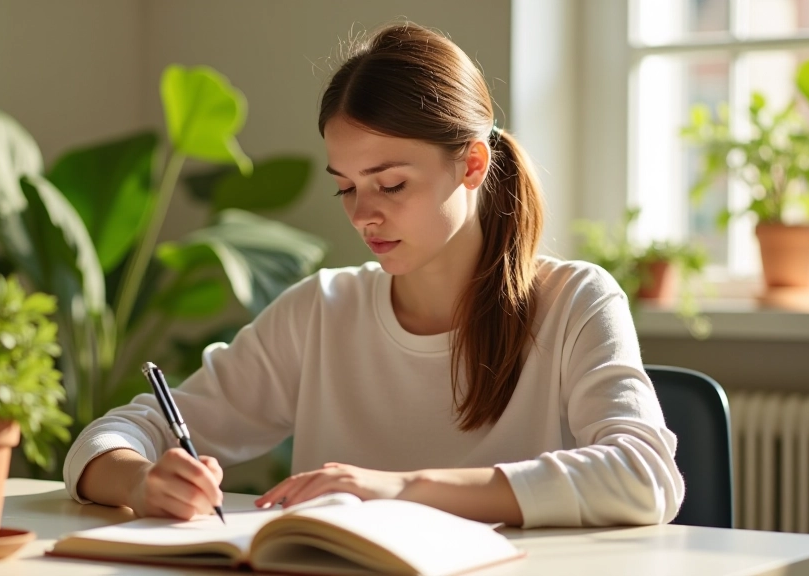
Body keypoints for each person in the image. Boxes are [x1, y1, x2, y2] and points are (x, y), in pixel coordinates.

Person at [64, 21, 684, 528]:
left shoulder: (574, 301)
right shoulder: (321, 311)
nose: (364, 214)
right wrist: (144, 481)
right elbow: (115, 434)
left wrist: (401, 488)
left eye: (391, 183)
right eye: (346, 188)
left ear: (471, 164)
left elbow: (644, 476)